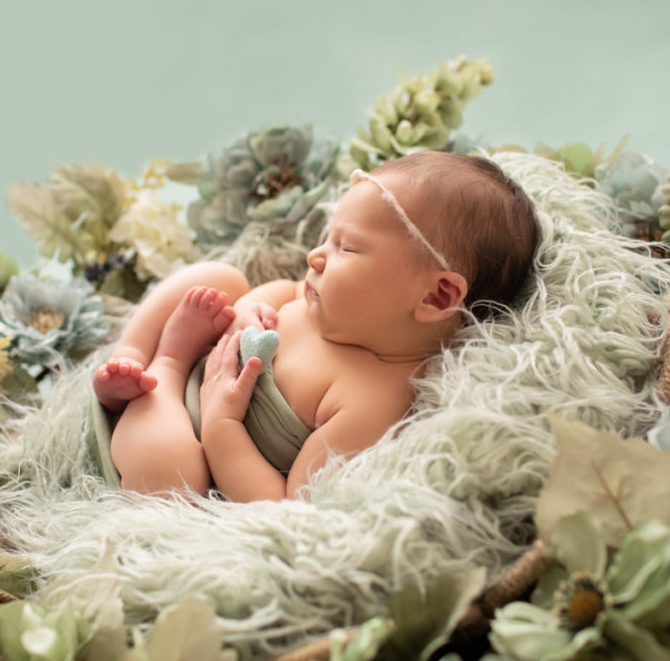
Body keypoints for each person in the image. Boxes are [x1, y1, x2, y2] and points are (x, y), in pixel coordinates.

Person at [93, 151, 539, 502]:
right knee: (221, 278)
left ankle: (163, 371)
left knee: (171, 481)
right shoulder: (323, 304)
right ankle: (132, 355)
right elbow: (280, 290)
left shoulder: (376, 400)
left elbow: (282, 502)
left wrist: (220, 424)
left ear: (436, 297)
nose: (315, 256)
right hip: (200, 356)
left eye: (346, 247)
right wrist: (250, 309)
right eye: (328, 236)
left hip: (186, 430)